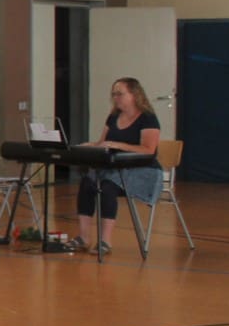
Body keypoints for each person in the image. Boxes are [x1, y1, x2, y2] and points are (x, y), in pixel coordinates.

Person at [64, 77, 161, 256]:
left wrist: (118, 145)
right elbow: (102, 143)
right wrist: (88, 146)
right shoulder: (113, 117)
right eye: (113, 94)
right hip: (115, 167)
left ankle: (105, 241)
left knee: (107, 186)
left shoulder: (148, 118)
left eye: (119, 94)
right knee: (87, 183)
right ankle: (84, 237)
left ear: (134, 95)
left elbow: (148, 150)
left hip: (142, 171)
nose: (115, 98)